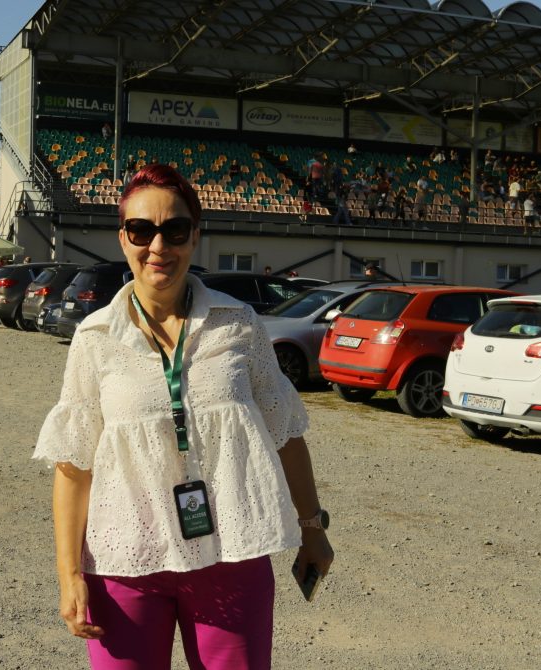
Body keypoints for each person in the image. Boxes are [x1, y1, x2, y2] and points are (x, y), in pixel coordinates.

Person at [34, 164, 334, 668]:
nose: (158, 246)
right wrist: (69, 575)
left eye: (174, 230)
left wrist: (313, 529)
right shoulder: (95, 338)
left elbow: (285, 434)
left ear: (195, 235)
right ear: (123, 238)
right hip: (125, 560)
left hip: (231, 553)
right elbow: (73, 464)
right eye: (141, 230)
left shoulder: (238, 325)